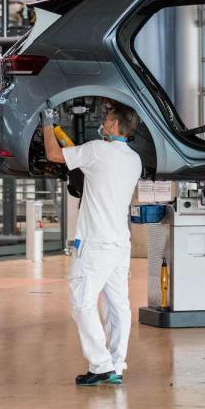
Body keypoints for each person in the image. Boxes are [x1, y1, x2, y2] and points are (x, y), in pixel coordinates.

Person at [42, 101, 143, 386]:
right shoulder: (133, 160)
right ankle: (116, 364)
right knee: (117, 305)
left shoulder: (98, 150)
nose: (103, 121)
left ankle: (100, 365)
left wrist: (48, 121)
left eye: (107, 118)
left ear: (113, 126)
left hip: (96, 243)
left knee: (82, 302)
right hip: (119, 243)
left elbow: (52, 153)